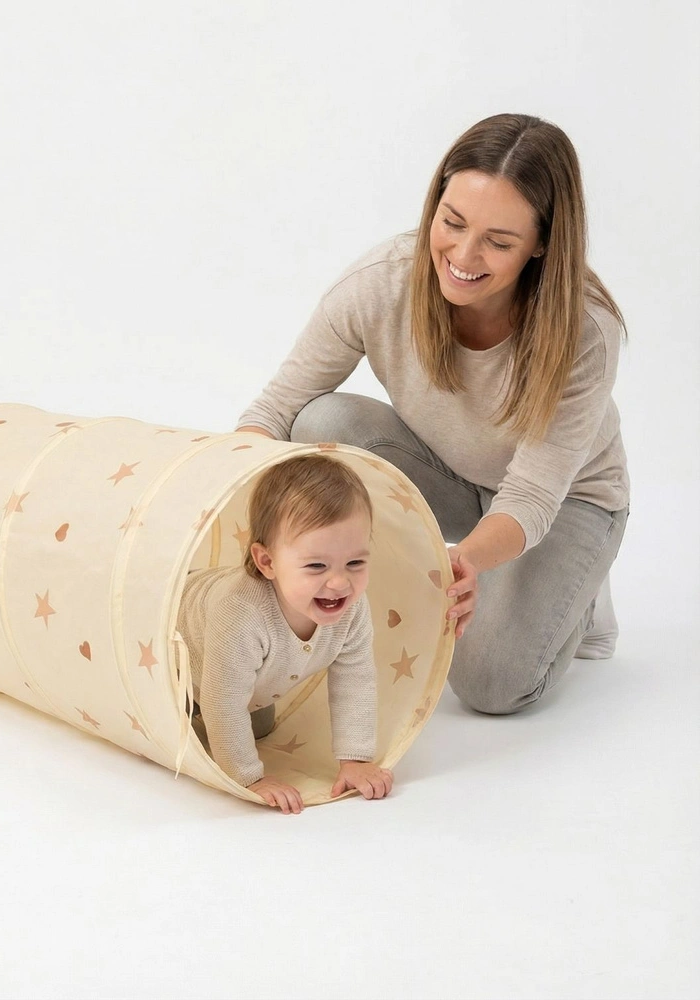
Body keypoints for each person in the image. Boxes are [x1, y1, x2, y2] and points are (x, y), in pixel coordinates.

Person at [238, 113, 629, 717]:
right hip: (454, 476)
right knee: (319, 425)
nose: (463, 255)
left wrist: (466, 560)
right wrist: (231, 500)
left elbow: (531, 495)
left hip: (565, 501)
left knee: (492, 686)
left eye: (499, 242)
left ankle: (579, 594)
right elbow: (276, 407)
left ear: (542, 243)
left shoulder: (586, 332)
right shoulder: (381, 284)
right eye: (452, 222)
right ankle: (512, 581)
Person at [178, 454, 392, 813]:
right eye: (316, 565)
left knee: (259, 726)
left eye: (355, 562)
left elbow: (356, 677)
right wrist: (249, 778)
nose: (339, 583)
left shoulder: (351, 607)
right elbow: (223, 701)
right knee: (180, 724)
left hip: (242, 677)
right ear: (267, 562)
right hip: (169, 640)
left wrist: (355, 759)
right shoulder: (240, 615)